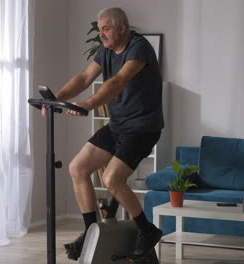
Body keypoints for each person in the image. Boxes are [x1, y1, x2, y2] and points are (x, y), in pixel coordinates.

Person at [42, 7, 164, 260]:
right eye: (100, 30)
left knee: (111, 180)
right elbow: (85, 77)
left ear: (122, 28)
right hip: (118, 125)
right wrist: (55, 99)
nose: (102, 35)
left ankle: (146, 229)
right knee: (78, 168)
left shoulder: (138, 48)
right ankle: (90, 232)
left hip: (142, 128)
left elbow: (118, 81)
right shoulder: (105, 50)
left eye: (106, 29)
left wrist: (87, 104)